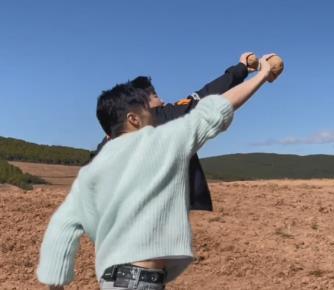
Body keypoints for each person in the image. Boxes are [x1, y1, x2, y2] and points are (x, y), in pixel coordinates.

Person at [37, 54, 278, 290]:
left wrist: (56, 283)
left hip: (114, 278)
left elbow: (62, 225)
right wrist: (262, 75)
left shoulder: (91, 171)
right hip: (137, 280)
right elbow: (218, 107)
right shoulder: (157, 142)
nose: (158, 110)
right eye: (148, 108)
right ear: (133, 119)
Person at [91, 52, 258, 211]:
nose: (162, 101)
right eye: (155, 95)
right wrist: (242, 68)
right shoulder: (162, 118)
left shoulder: (109, 143)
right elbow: (206, 95)